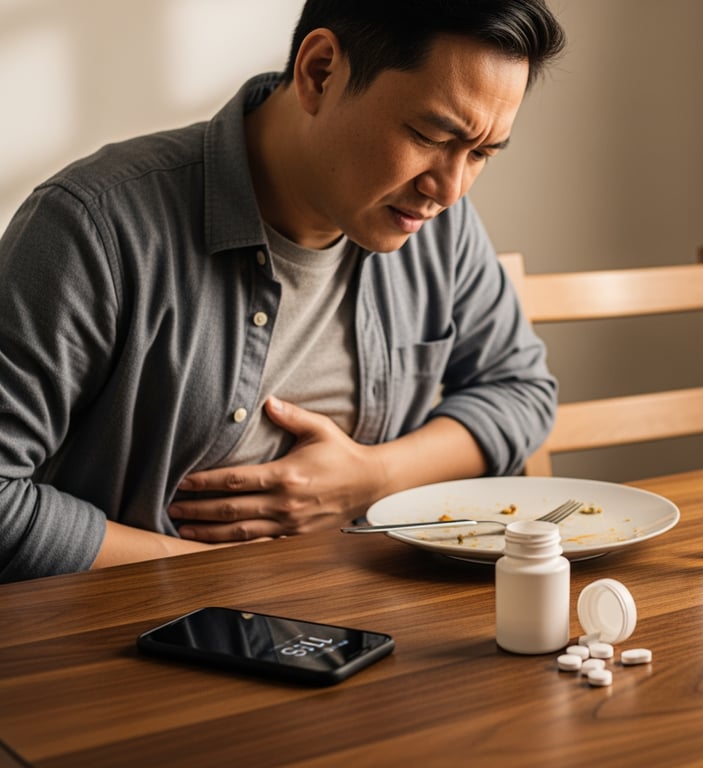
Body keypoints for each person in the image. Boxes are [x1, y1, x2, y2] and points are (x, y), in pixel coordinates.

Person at [0, 1, 565, 582]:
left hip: (369, 621)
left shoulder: (438, 224)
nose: (448, 189)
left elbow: (519, 390)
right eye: (429, 135)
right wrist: (207, 576)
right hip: (136, 645)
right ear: (320, 72)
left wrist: (373, 477)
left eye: (481, 153)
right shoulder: (93, 227)